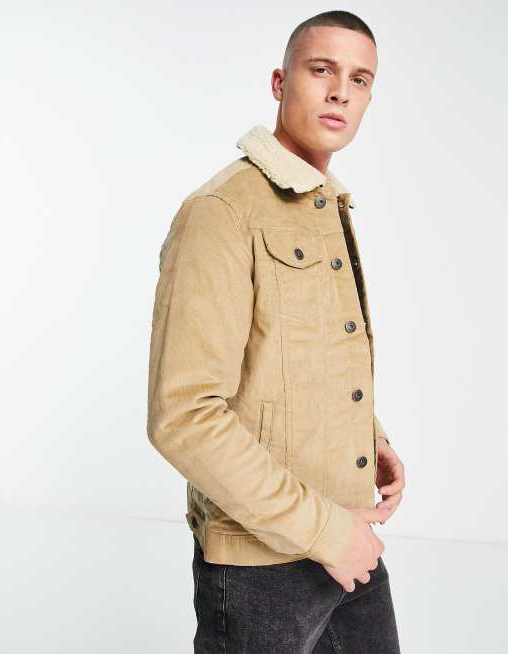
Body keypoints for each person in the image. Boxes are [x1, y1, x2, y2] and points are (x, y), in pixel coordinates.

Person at [147, 9, 405, 653]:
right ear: (279, 82)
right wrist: (326, 532)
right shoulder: (221, 212)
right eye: (321, 70)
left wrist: (369, 436)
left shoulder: (325, 203)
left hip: (350, 536)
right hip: (262, 567)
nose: (340, 91)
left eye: (360, 79)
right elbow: (184, 415)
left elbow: (298, 357)